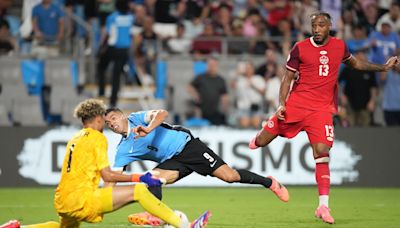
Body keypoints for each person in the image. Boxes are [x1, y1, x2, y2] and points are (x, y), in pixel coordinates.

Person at [248, 12, 398, 224]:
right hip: (297, 105)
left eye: (321, 25)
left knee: (322, 152)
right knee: (260, 142)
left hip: (321, 110)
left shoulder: (339, 46)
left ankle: (323, 205)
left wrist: (383, 67)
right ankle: (262, 133)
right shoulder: (300, 48)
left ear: (329, 26)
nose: (316, 29)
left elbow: (356, 64)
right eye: (313, 25)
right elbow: (287, 78)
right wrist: (282, 104)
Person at [0, 99, 211, 228]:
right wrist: (140, 177)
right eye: (104, 119)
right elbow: (108, 176)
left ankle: (19, 227)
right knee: (138, 191)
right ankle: (185, 225)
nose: (107, 123)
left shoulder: (75, 138)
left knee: (62, 227)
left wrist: (109, 193)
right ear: (98, 119)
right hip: (83, 199)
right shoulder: (97, 138)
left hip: (63, 199)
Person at [103, 107, 289, 225]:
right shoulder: (123, 150)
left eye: (113, 118)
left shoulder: (137, 118)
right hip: (173, 161)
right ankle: (155, 215)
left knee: (230, 176)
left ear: (122, 115)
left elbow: (162, 113)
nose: (111, 123)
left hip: (189, 147)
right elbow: (112, 178)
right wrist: (99, 202)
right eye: (107, 123)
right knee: (152, 178)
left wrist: (149, 128)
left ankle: (269, 183)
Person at [98, 0, 134, 107]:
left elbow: (107, 33)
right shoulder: (131, 18)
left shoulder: (112, 17)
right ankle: (113, 101)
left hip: (113, 48)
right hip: (124, 50)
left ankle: (101, 92)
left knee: (101, 66)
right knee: (116, 75)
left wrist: (101, 46)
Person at [187, 56, 229, 125]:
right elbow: (190, 86)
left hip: (215, 111)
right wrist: (195, 95)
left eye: (213, 65)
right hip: (201, 111)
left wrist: (224, 108)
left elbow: (224, 95)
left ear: (216, 66)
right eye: (209, 65)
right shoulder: (200, 77)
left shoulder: (221, 80)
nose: (211, 67)